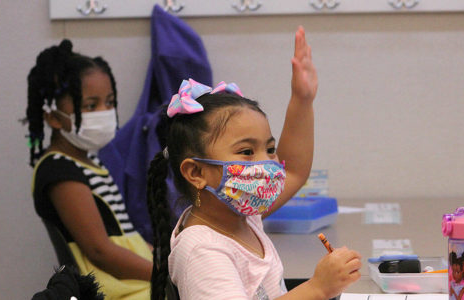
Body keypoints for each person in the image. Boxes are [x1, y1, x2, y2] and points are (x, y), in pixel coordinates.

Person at [146, 27, 362, 300]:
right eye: (247, 151)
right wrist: (317, 288)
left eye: (269, 149)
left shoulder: (241, 217)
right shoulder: (202, 250)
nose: (267, 164)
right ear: (196, 172)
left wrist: (302, 100)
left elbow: (293, 170)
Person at [25, 39, 152, 299]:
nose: (104, 112)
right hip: (117, 291)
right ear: (52, 117)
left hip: (135, 283)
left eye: (109, 102)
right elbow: (99, 251)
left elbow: (123, 234)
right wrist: (164, 272)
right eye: (91, 105)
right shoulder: (59, 169)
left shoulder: (92, 163)